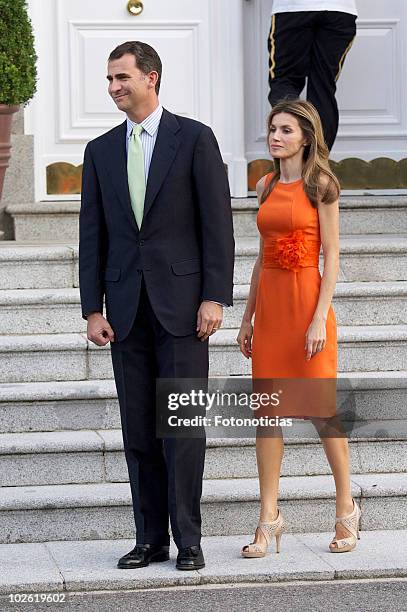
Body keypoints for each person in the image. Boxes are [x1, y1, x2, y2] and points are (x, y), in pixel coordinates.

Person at [79, 41, 234, 571]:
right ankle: (150, 539)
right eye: (109, 79)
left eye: (121, 77)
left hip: (185, 309)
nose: (113, 87)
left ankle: (188, 538)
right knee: (138, 428)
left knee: (184, 427)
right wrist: (91, 307)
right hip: (124, 311)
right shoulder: (99, 150)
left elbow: (218, 225)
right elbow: (92, 234)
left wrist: (215, 296)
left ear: (153, 77)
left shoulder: (193, 139)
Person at [237, 99, 361, 558]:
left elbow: (332, 257)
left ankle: (346, 508)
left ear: (306, 137)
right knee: (267, 416)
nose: (276, 136)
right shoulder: (266, 184)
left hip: (308, 307)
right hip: (270, 311)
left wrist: (318, 320)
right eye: (272, 128)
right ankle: (268, 518)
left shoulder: (322, 184)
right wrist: (247, 317)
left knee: (323, 411)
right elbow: (262, 256)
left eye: (286, 129)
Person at [268, 0, 358, 150]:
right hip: (339, 10)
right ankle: (317, 162)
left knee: (284, 81)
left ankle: (293, 154)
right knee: (323, 88)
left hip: (294, 8)